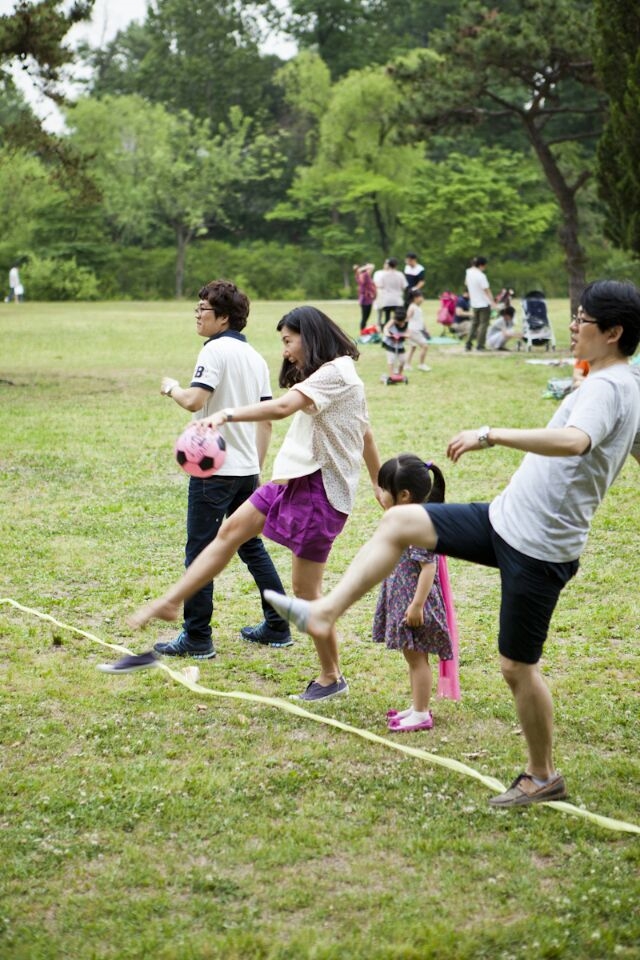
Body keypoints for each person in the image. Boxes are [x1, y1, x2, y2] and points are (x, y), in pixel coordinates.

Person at [264, 280, 640, 807]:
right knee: (401, 523)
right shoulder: (623, 382)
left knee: (516, 667)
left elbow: (575, 442)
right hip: (505, 519)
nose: (574, 326)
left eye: (583, 319)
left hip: (540, 545)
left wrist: (493, 434)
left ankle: (542, 775)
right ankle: (324, 611)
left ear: (614, 331)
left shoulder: (608, 388)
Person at [129, 305, 382, 702]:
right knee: (229, 531)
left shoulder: (337, 373)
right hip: (290, 481)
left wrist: (225, 415)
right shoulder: (332, 373)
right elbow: (365, 433)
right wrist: (377, 480)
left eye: (288, 341)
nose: (285, 351)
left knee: (307, 593)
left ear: (310, 336)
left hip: (320, 491)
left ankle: (332, 676)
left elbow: (282, 409)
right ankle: (172, 601)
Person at [154, 279, 292, 659]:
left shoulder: (214, 351)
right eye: (196, 308)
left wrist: (171, 388)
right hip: (246, 470)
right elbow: (266, 422)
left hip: (212, 473)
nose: (197, 315)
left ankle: (197, 637)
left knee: (200, 551)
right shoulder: (257, 358)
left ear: (224, 318)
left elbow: (194, 399)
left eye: (204, 310)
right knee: (250, 546)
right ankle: (278, 625)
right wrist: (255, 468)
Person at [373, 455, 459, 732]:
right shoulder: (408, 517)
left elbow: (428, 568)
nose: (380, 495)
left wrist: (417, 605)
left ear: (404, 495)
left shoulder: (417, 526)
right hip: (405, 598)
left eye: (384, 489)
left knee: (416, 658)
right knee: (412, 658)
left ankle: (421, 714)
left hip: (414, 602)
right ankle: (416, 706)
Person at [464, 256, 495, 352]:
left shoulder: (468, 272)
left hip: (474, 302)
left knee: (474, 324)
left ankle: (468, 344)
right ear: (481, 265)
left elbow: (466, 283)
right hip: (484, 303)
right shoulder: (481, 275)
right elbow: (486, 290)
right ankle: (480, 345)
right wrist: (493, 302)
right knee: (483, 324)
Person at [404, 289, 431, 372]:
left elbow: (420, 320)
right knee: (425, 346)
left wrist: (426, 329)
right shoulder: (412, 307)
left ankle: (407, 365)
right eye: (421, 297)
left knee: (413, 347)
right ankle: (421, 364)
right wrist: (405, 330)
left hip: (417, 330)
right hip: (413, 331)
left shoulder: (417, 307)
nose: (423, 299)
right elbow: (406, 319)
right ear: (415, 298)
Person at [377, 257, 408, 327]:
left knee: (387, 318)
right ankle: (397, 332)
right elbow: (404, 286)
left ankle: (386, 332)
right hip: (397, 299)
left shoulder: (384, 275)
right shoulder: (400, 275)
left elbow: (380, 286)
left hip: (387, 299)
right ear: (396, 265)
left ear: (388, 265)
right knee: (398, 317)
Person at [381, 306, 409, 379]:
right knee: (391, 359)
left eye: (401, 322)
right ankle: (392, 375)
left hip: (399, 343)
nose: (399, 323)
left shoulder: (406, 323)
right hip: (390, 343)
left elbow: (409, 333)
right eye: (397, 322)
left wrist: (403, 335)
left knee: (403, 360)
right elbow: (385, 328)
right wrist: (388, 334)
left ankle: (399, 374)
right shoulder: (393, 321)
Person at [353, 263, 377, 332]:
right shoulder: (364, 275)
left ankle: (363, 331)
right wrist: (366, 267)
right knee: (364, 317)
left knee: (366, 317)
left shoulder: (362, 275)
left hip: (368, 298)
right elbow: (372, 266)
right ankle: (362, 331)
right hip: (365, 299)